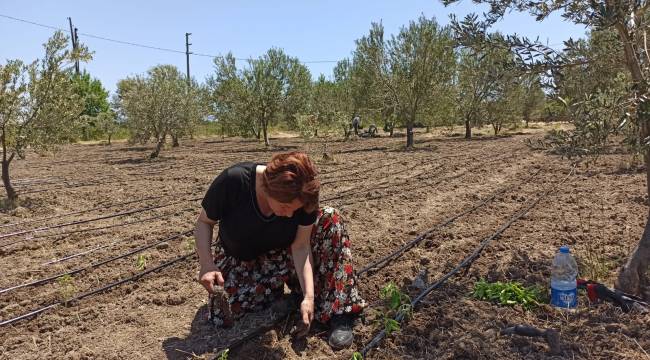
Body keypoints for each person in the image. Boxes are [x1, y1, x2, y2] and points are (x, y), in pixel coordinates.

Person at [195, 152, 366, 350]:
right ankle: (283, 297)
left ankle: (339, 311)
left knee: (330, 218)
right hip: (242, 261)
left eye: (295, 209)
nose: (290, 214)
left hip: (284, 255)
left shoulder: (304, 195)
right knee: (222, 316)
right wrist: (207, 264)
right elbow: (204, 222)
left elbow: (301, 246)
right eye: (286, 207)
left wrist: (309, 297)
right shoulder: (234, 181)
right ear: (269, 189)